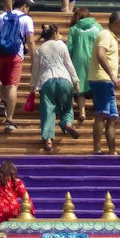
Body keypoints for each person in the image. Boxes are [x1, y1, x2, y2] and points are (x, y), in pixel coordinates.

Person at [31, 22, 81, 151]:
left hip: (47, 82)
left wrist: (32, 88)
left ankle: (48, 139)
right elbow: (69, 64)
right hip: (64, 79)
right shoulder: (61, 45)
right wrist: (76, 81)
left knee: (47, 111)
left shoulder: (39, 50)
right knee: (67, 107)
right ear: (54, 34)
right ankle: (68, 123)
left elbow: (35, 71)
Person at [0, 5, 36, 132]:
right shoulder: (26, 19)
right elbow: (30, 41)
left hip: (0, 55)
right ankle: (9, 119)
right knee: (12, 86)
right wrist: (34, 60)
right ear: (24, 7)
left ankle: (3, 102)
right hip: (15, 55)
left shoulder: (0, 17)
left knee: (4, 82)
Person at [88, 8, 120, 154]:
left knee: (111, 117)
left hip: (106, 80)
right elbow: (100, 54)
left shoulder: (111, 37)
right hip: (101, 79)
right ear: (116, 22)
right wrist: (112, 75)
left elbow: (107, 57)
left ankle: (112, 151)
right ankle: (97, 149)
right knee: (101, 114)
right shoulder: (105, 34)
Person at [67, 5, 103, 125]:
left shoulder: (74, 29)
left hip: (78, 61)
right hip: (95, 59)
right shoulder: (98, 27)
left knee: (80, 87)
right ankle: (99, 110)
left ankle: (82, 112)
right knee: (95, 85)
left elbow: (70, 48)